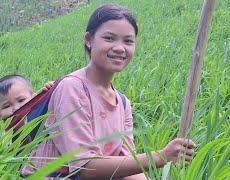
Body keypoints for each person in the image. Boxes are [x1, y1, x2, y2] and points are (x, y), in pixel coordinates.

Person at [22, 4, 196, 179]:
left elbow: (127, 163)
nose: (120, 48)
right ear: (89, 40)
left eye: (128, 41)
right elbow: (85, 168)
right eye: (109, 38)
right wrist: (161, 157)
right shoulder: (72, 88)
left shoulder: (122, 102)